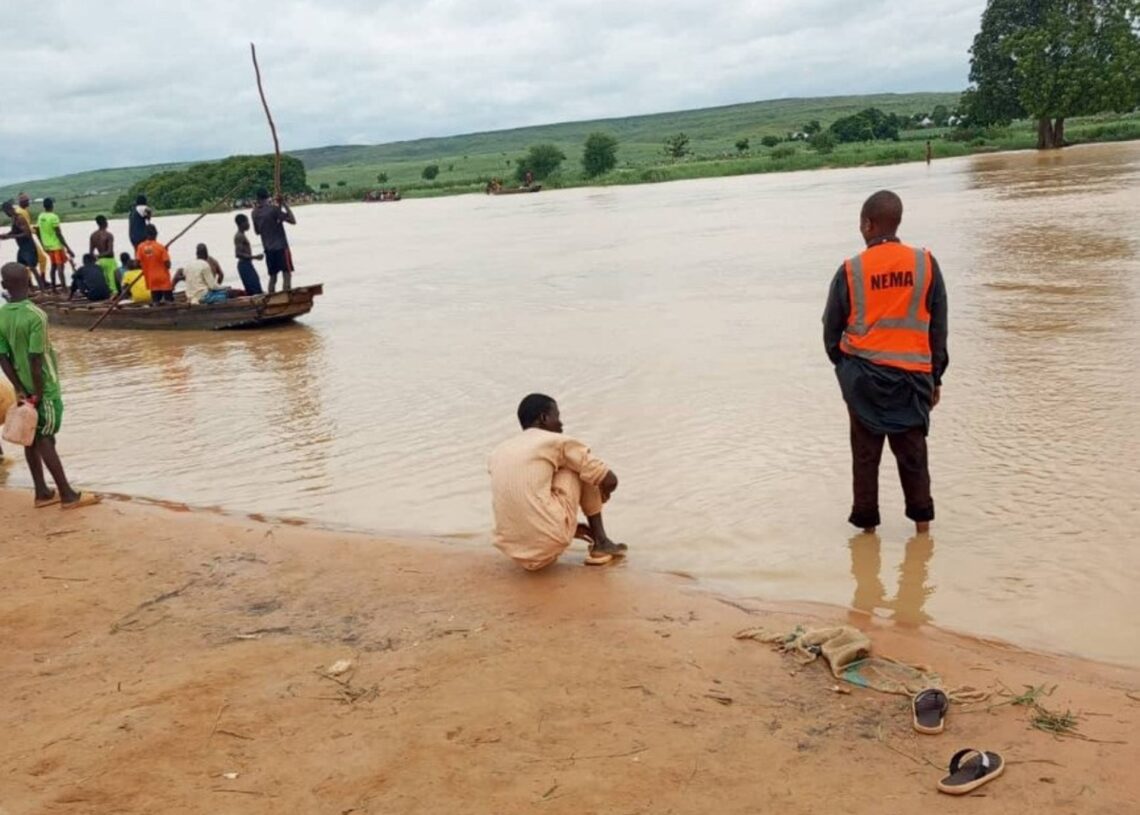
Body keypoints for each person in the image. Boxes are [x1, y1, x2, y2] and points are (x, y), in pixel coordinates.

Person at [822, 190, 948, 534]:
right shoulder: (925, 264)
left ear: (867, 224)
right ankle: (922, 530)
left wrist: (847, 373)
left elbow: (830, 331)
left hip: (863, 379)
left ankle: (867, 531)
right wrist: (935, 378)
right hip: (913, 378)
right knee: (913, 456)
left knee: (865, 457)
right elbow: (938, 327)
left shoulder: (851, 270)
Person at [488, 394, 627, 570]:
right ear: (543, 418)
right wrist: (602, 493)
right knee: (581, 466)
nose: (561, 425)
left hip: (514, 548)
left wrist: (571, 524)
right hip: (549, 538)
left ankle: (557, 528)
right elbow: (611, 480)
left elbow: (523, 496)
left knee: (544, 475)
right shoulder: (554, 441)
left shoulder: (499, 451)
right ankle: (601, 541)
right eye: (557, 417)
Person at [0, 262, 98, 510]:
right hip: (44, 386)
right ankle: (67, 494)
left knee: (31, 436)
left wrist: (19, 389)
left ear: (3, 286)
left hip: (21, 386)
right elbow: (36, 357)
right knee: (45, 437)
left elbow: (3, 357)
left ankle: (42, 492)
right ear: (30, 281)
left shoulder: (1, 315)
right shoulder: (37, 315)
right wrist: (39, 393)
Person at [251, 189, 295, 294]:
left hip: (268, 249)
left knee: (273, 277)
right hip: (281, 247)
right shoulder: (273, 210)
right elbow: (293, 220)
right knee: (286, 274)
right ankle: (286, 296)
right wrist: (283, 204)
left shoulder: (254, 213)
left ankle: (271, 297)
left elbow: (257, 232)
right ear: (267, 198)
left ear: (257, 199)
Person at [0, 200, 42, 288]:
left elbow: (27, 234)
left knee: (32, 268)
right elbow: (15, 231)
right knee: (22, 269)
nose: (5, 214)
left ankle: (43, 290)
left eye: (5, 211)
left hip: (28, 247)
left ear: (10, 209)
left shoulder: (20, 218)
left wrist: (11, 236)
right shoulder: (13, 218)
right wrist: (6, 235)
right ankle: (30, 288)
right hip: (22, 248)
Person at [36, 198, 73, 292]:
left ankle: (53, 288)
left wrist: (42, 244)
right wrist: (68, 248)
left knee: (53, 266)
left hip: (47, 246)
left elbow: (37, 231)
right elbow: (58, 234)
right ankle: (64, 288)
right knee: (60, 267)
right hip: (56, 245)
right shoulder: (54, 217)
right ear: (52, 205)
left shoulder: (41, 216)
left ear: (44, 206)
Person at [14, 193, 48, 285]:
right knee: (42, 259)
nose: (29, 202)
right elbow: (26, 228)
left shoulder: (23, 210)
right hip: (28, 242)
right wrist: (36, 230)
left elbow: (27, 226)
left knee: (29, 262)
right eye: (27, 201)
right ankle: (40, 281)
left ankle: (31, 282)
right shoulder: (21, 212)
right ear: (22, 202)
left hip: (25, 241)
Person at [135, 224, 173, 304]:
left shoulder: (140, 247)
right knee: (169, 301)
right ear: (156, 234)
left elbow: (137, 263)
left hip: (151, 279)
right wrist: (166, 252)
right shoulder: (160, 247)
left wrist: (146, 265)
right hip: (163, 279)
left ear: (146, 234)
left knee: (156, 301)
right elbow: (168, 265)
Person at [233, 213, 264, 295]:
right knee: (255, 289)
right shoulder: (239, 236)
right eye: (247, 222)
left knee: (253, 289)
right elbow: (238, 254)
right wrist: (255, 257)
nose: (248, 224)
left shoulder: (242, 235)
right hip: (244, 265)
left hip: (247, 264)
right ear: (242, 223)